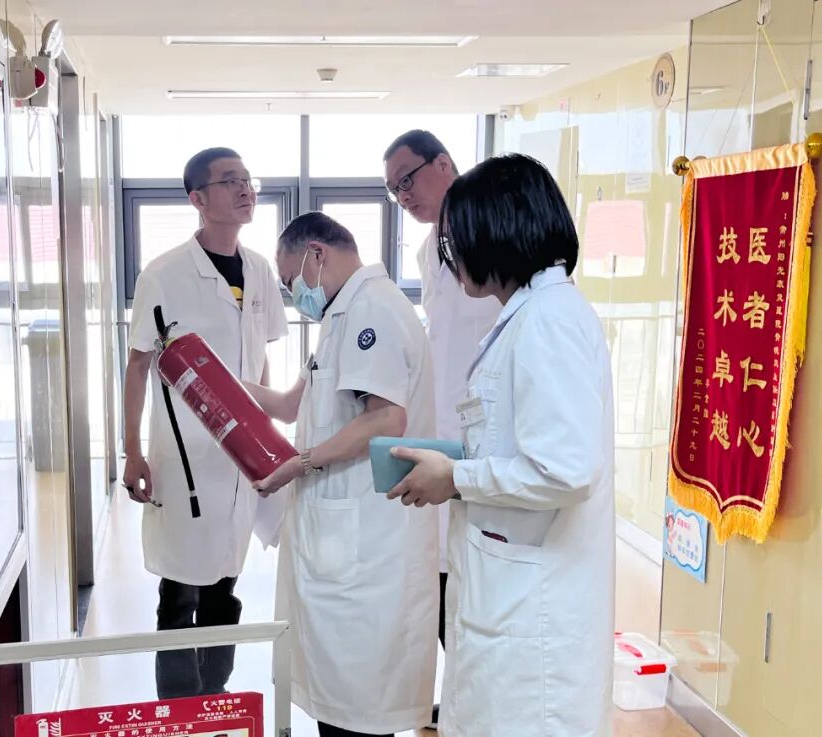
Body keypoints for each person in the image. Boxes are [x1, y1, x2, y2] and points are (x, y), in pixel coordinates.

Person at [387, 153, 615, 737]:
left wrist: (456, 477)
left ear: (498, 229)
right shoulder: (530, 315)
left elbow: (565, 470)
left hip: (532, 617)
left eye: (455, 239)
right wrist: (457, 464)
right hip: (510, 594)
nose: (451, 256)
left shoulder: (547, 320)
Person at [245, 212, 438, 737]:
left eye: (292, 281)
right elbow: (292, 404)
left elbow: (385, 418)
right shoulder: (340, 315)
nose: (295, 295)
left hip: (369, 544)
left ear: (317, 254)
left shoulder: (372, 308)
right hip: (341, 543)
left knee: (357, 713)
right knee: (339, 706)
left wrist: (301, 463)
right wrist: (222, 383)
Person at [122, 147, 288, 699]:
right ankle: (178, 713)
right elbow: (138, 365)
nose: (245, 190)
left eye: (248, 179)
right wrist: (131, 451)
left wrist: (265, 437)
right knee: (179, 594)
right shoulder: (164, 274)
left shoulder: (259, 270)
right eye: (229, 181)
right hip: (183, 458)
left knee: (225, 589)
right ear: (198, 198)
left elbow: (259, 362)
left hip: (239, 459)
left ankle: (214, 707)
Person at [383, 129, 500, 729]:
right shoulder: (429, 250)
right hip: (444, 428)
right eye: (393, 189)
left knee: (476, 576)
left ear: (445, 163)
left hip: (490, 434)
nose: (403, 195)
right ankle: (459, 694)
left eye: (407, 179)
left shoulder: (490, 227)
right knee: (440, 572)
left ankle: (476, 698)